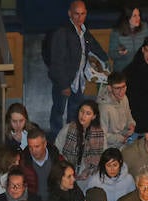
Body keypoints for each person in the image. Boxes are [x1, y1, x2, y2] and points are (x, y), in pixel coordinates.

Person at [46, 1, 108, 138]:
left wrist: (105, 59)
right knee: (59, 111)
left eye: (82, 14)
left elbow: (95, 47)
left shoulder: (84, 32)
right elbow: (57, 61)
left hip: (78, 80)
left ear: (86, 14)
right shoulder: (62, 32)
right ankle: (56, 140)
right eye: (76, 14)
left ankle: (72, 139)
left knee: (75, 113)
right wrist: (63, 84)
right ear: (70, 13)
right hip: (64, 81)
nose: (79, 17)